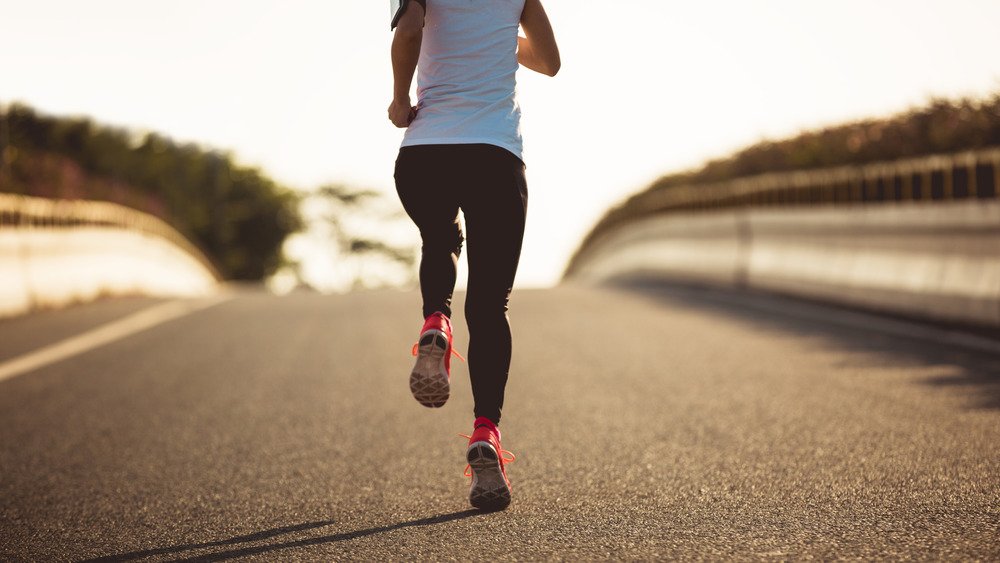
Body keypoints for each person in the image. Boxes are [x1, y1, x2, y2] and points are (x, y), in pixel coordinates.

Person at [388, 0, 559, 511]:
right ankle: (486, 432)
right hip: (495, 155)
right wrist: (499, 35)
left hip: (425, 152)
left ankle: (435, 322)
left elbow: (410, 32)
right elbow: (549, 62)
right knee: (488, 307)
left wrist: (400, 100)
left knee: (439, 240)